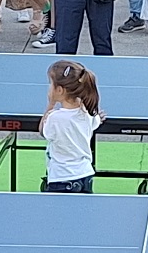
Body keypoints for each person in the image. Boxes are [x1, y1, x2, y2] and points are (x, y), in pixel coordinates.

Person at [42, 61, 103, 192]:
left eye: (50, 84)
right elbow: (96, 121)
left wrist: (50, 105)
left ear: (59, 90)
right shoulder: (87, 112)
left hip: (62, 178)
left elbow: (43, 131)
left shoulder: (55, 118)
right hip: (85, 174)